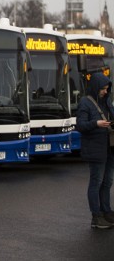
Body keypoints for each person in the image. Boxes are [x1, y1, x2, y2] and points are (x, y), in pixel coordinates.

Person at [76, 72, 114, 229]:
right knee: (96, 182)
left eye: (107, 89)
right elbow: (81, 125)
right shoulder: (85, 102)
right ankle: (96, 216)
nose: (105, 91)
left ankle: (107, 211)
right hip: (95, 149)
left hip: (109, 148)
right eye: (103, 89)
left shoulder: (107, 101)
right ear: (95, 87)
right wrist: (96, 123)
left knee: (108, 182)